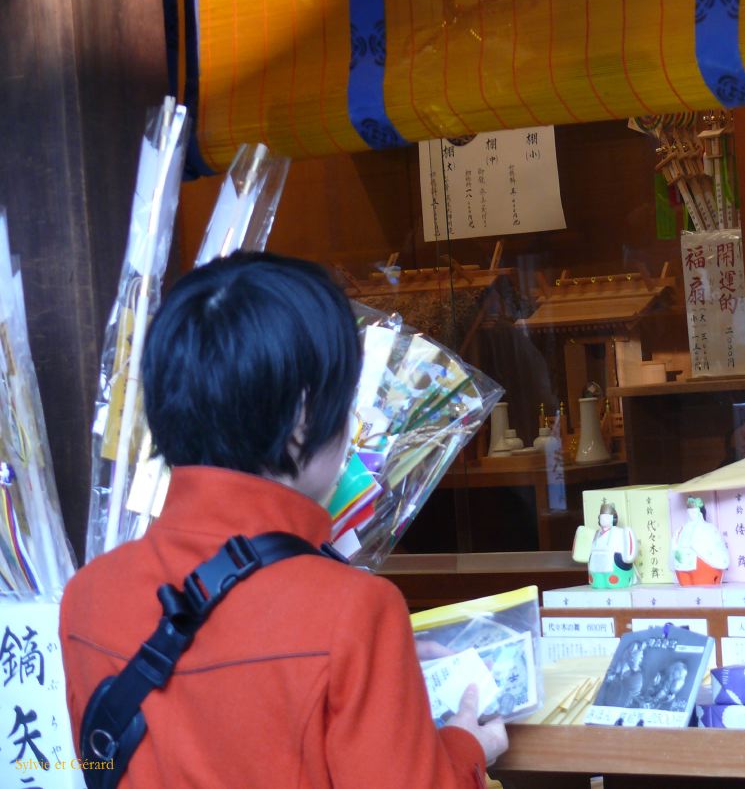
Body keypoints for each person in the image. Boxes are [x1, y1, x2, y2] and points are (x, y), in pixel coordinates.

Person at [60, 252, 507, 789]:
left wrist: (381, 670)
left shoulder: (88, 596)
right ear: (301, 417)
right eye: (344, 402)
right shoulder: (354, 613)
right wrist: (464, 750)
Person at [671, 496, 730, 585]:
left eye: (694, 511)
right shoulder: (681, 529)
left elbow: (714, 546)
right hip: (681, 565)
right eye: (689, 511)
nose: (691, 514)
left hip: (703, 565)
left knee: (702, 592)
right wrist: (676, 553)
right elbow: (674, 545)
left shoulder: (708, 528)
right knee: (686, 593)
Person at [586, 501, 638, 587]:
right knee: (598, 583)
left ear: (614, 519)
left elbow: (629, 546)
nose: (603, 520)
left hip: (613, 561)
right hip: (596, 562)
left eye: (606, 517)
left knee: (613, 583)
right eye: (601, 518)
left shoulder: (620, 532)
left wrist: (628, 558)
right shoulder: (597, 533)